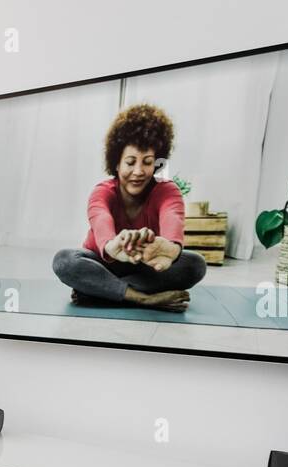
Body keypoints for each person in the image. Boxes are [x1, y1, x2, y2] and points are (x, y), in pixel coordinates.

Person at [51, 103, 207, 313]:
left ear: (156, 164)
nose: (139, 171)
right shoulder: (102, 191)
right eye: (130, 162)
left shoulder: (167, 190)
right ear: (116, 164)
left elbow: (173, 215)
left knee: (195, 264)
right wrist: (111, 245)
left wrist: (171, 248)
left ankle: (101, 291)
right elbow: (100, 218)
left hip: (145, 265)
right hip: (104, 263)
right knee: (64, 260)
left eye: (147, 162)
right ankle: (144, 299)